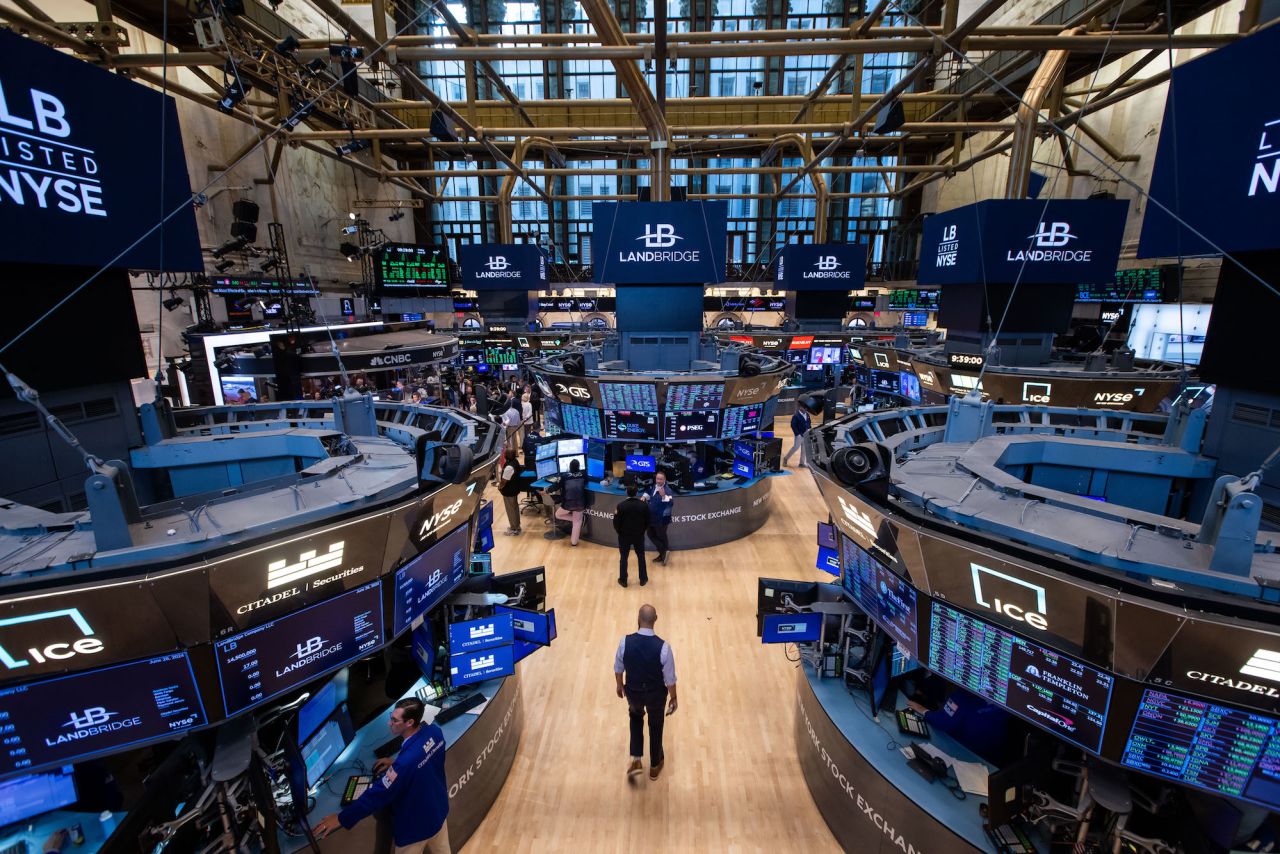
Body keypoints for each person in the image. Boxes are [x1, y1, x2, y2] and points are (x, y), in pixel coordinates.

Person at [315, 698, 450, 853]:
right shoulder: (435, 732)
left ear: (409, 722)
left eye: (394, 720)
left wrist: (341, 818)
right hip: (438, 813)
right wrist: (396, 763)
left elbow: (377, 795)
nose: (389, 723)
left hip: (416, 829)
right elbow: (427, 764)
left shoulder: (405, 764)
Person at [613, 604, 677, 781]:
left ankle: (636, 759)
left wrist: (619, 685)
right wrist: (674, 698)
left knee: (635, 719)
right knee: (656, 726)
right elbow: (670, 679)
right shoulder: (664, 647)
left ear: (638, 619)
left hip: (633, 692)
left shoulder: (625, 642)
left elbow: (618, 668)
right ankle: (655, 766)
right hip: (656, 695)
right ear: (655, 620)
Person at [613, 484, 650, 587]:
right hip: (639, 535)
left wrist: (620, 532)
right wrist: (642, 531)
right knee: (641, 556)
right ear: (637, 493)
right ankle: (643, 579)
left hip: (624, 536)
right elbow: (648, 521)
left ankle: (623, 580)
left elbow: (616, 523)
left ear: (626, 492)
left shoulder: (620, 506)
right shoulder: (643, 505)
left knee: (624, 557)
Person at [553, 458, 587, 545]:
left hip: (568, 504)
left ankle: (577, 520)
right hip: (580, 503)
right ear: (579, 467)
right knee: (577, 522)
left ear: (570, 467)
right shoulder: (583, 475)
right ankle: (574, 543)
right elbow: (585, 483)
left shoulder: (564, 476)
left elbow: (556, 486)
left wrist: (548, 489)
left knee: (558, 515)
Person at [644, 471, 674, 564]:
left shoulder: (667, 490)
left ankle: (663, 553)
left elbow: (671, 503)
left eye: (661, 479)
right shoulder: (654, 486)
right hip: (651, 517)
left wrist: (663, 496)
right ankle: (663, 552)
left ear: (664, 479)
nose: (659, 481)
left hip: (661, 519)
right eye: (657, 478)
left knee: (661, 536)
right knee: (650, 534)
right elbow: (650, 493)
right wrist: (644, 497)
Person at [498, 452, 525, 536]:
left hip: (509, 491)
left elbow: (504, 481)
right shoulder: (515, 461)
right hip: (514, 489)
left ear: (507, 456)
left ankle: (514, 529)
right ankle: (517, 526)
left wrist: (499, 487)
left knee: (511, 510)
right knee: (514, 508)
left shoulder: (509, 467)